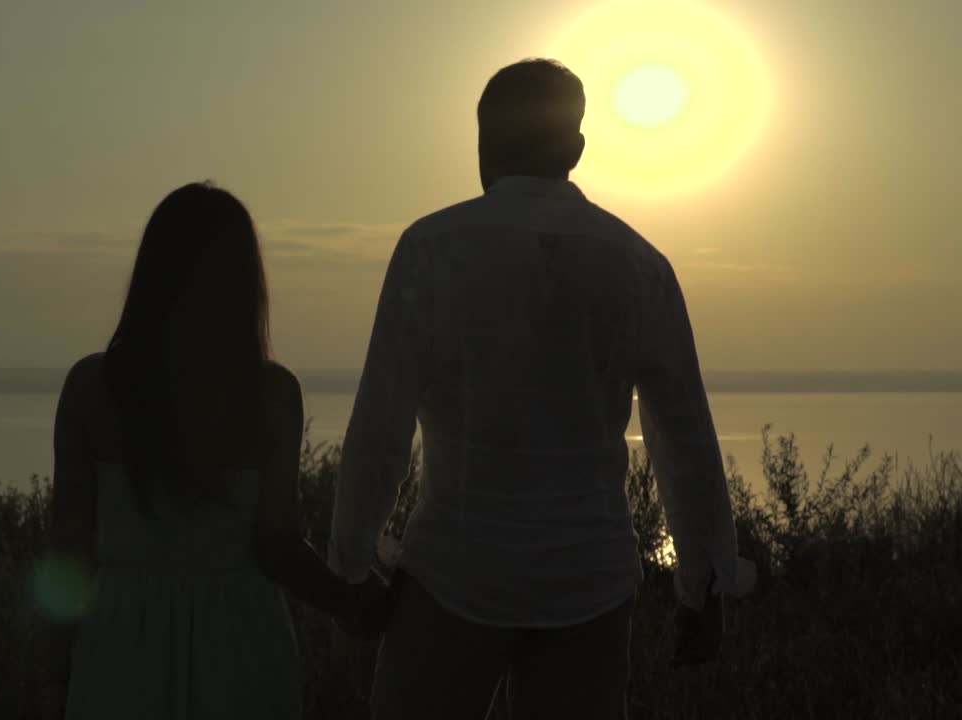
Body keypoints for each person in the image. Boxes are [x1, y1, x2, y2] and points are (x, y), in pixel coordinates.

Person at [327, 59, 755, 719]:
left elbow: (382, 423)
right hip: (590, 582)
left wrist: (351, 565)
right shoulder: (639, 264)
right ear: (577, 148)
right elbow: (683, 436)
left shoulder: (431, 249)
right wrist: (703, 586)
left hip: (453, 573)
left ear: (482, 140)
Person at [41, 182, 390, 720]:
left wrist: (47, 677)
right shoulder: (272, 396)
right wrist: (350, 602)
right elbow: (275, 544)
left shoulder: (91, 389)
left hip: (121, 645)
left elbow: (68, 551)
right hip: (242, 642)